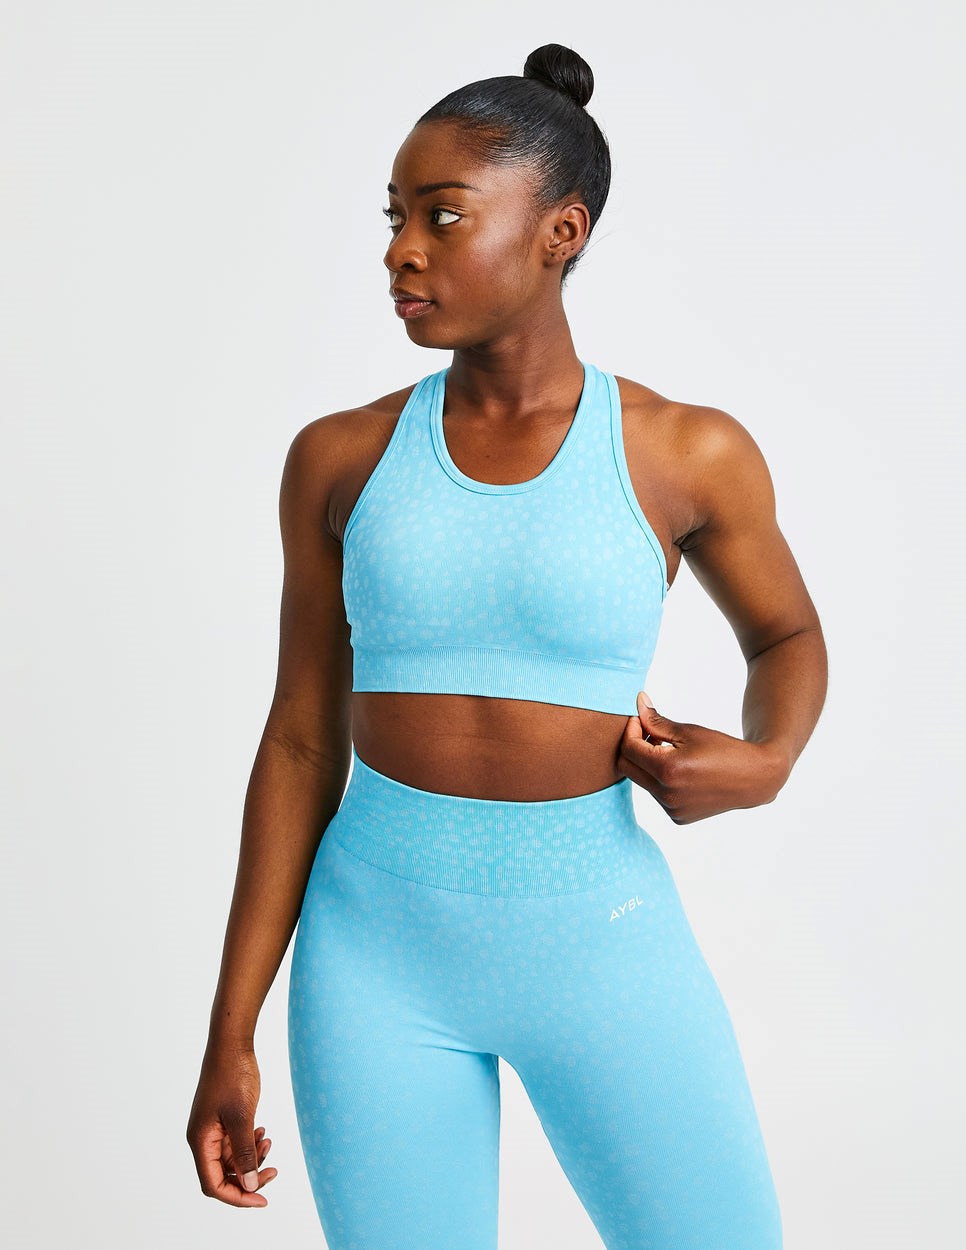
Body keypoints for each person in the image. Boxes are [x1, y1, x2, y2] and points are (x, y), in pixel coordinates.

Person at [186, 42, 827, 1250]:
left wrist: (767, 757)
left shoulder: (683, 451)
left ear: (559, 231)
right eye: (393, 217)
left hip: (605, 948)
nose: (401, 249)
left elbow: (785, 632)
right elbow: (301, 741)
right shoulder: (339, 459)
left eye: (442, 215)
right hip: (372, 960)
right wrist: (231, 1031)